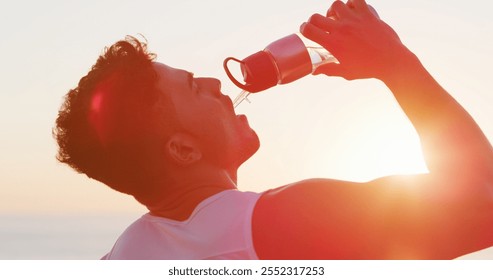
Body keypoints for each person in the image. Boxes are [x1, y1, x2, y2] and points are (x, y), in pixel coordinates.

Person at [54, 0, 493, 259]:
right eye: (193, 87)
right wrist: (395, 63)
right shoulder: (283, 222)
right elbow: (484, 204)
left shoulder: (121, 257)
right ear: (183, 149)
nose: (214, 83)